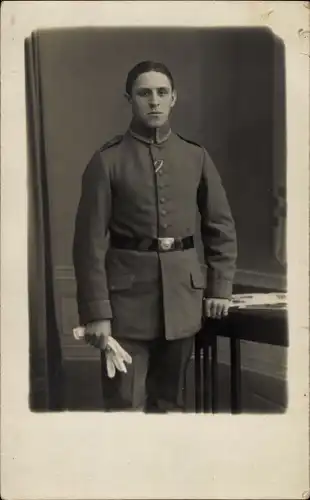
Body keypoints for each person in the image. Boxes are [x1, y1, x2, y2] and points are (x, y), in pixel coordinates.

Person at [72, 60, 237, 412]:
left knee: (170, 407)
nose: (154, 101)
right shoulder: (108, 161)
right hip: (125, 308)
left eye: (162, 93)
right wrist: (96, 312)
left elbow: (220, 228)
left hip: (183, 302)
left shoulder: (196, 157)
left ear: (174, 98)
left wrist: (219, 288)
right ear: (129, 99)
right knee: (124, 409)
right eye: (144, 93)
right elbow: (89, 245)